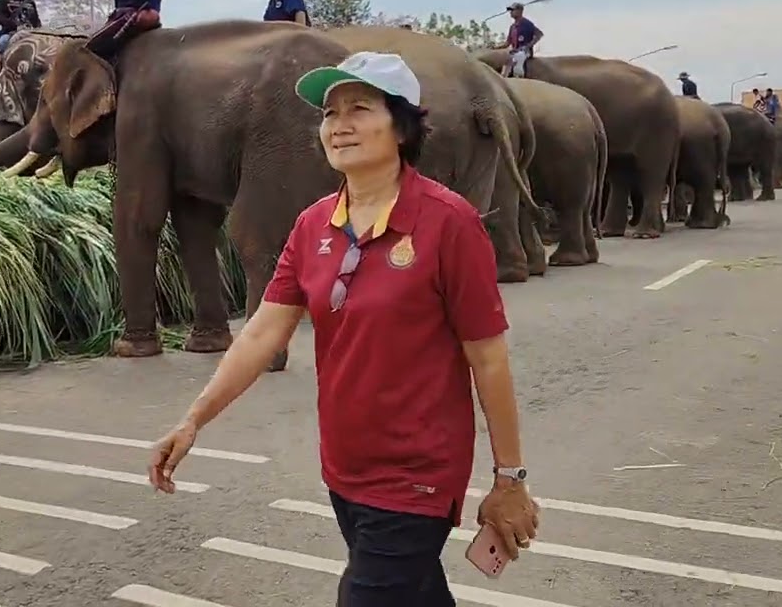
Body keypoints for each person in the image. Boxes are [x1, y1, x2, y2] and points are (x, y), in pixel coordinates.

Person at [148, 51, 539, 606]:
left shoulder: (448, 222)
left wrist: (510, 478)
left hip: (418, 473)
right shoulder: (313, 225)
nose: (340, 125)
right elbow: (263, 333)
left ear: (401, 126)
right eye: (330, 114)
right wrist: (192, 421)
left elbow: (488, 358)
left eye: (360, 108)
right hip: (346, 467)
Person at [493, 2, 543, 78]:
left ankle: (519, 77)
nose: (511, 12)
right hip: (514, 51)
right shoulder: (512, 27)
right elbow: (507, 43)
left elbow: (539, 34)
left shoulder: (527, 24)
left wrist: (528, 46)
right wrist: (496, 48)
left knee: (519, 57)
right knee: (505, 60)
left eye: (513, 10)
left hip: (525, 52)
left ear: (520, 11)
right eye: (510, 11)